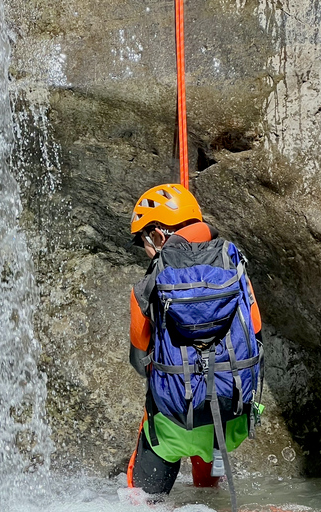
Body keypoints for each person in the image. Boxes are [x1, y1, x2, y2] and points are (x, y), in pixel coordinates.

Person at [125, 183, 263, 499]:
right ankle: (208, 488)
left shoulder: (146, 286)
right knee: (208, 492)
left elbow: (138, 360)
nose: (144, 249)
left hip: (173, 427)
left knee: (141, 499)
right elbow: (255, 333)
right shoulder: (235, 265)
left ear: (158, 235)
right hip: (229, 425)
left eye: (142, 240)